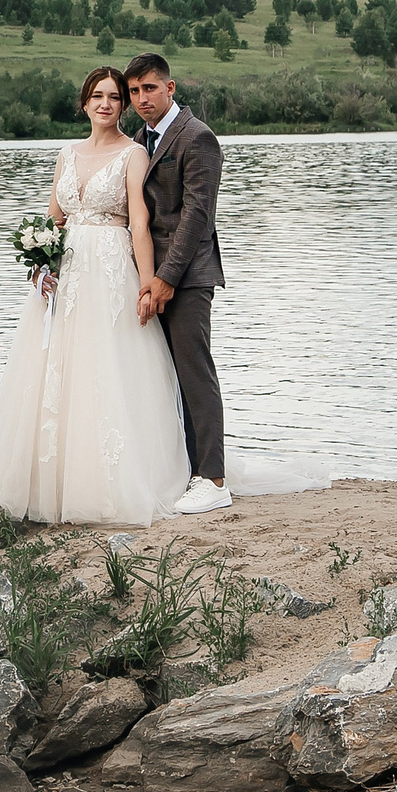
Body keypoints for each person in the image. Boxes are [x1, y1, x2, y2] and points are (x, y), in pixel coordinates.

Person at [0, 67, 193, 527]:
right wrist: (40, 265)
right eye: (96, 96)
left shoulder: (133, 155)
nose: (105, 104)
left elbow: (140, 225)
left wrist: (148, 285)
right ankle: (50, 482)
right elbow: (54, 221)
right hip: (64, 279)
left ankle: (109, 483)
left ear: (122, 107)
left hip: (110, 270)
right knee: (55, 371)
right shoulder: (66, 155)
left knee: (105, 369)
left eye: (113, 97)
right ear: (83, 103)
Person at [123, 52, 233, 516]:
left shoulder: (198, 137)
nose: (142, 99)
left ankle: (213, 479)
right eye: (134, 92)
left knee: (194, 372)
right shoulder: (137, 140)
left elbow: (196, 217)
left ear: (171, 88)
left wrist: (166, 279)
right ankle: (183, 470)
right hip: (147, 278)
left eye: (150, 88)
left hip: (187, 277)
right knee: (158, 377)